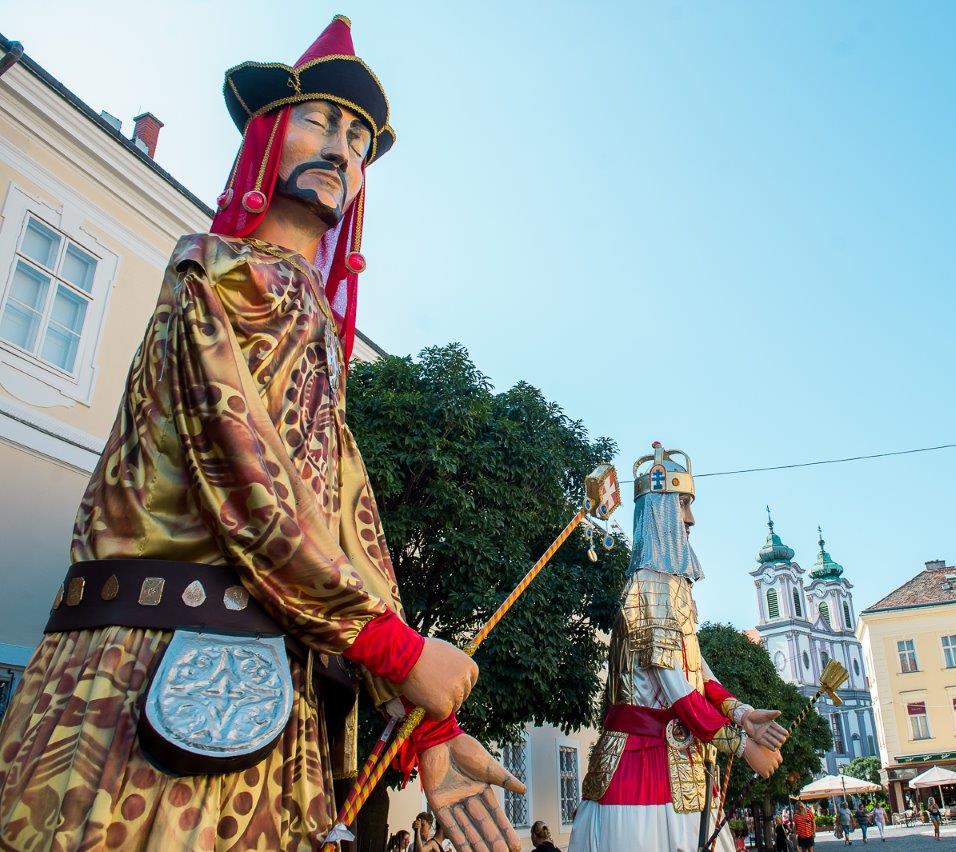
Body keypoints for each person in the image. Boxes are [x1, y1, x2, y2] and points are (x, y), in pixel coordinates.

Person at [0, 15, 525, 850]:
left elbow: (346, 521)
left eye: (357, 139)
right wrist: (392, 648)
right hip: (145, 691)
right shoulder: (212, 271)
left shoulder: (317, 330)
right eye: (320, 120)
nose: (341, 148)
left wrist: (421, 729)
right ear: (268, 136)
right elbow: (246, 475)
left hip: (277, 721)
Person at [568, 444, 788, 852]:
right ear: (660, 511)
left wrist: (740, 713)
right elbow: (674, 686)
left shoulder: (671, 584)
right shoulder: (650, 584)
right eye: (683, 505)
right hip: (642, 769)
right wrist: (742, 747)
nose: (691, 519)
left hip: (671, 762)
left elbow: (695, 667)